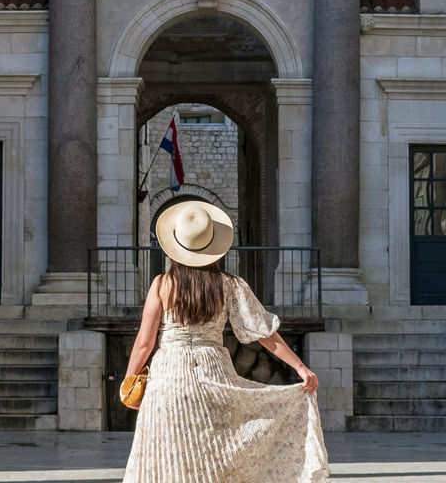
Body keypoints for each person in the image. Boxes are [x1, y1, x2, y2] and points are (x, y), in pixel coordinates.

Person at [121, 199, 330, 483]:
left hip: (168, 376)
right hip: (213, 371)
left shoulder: (161, 284)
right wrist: (301, 367)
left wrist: (130, 381)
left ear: (176, 247)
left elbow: (144, 343)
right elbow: (264, 334)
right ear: (213, 248)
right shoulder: (230, 284)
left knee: (165, 453)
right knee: (216, 452)